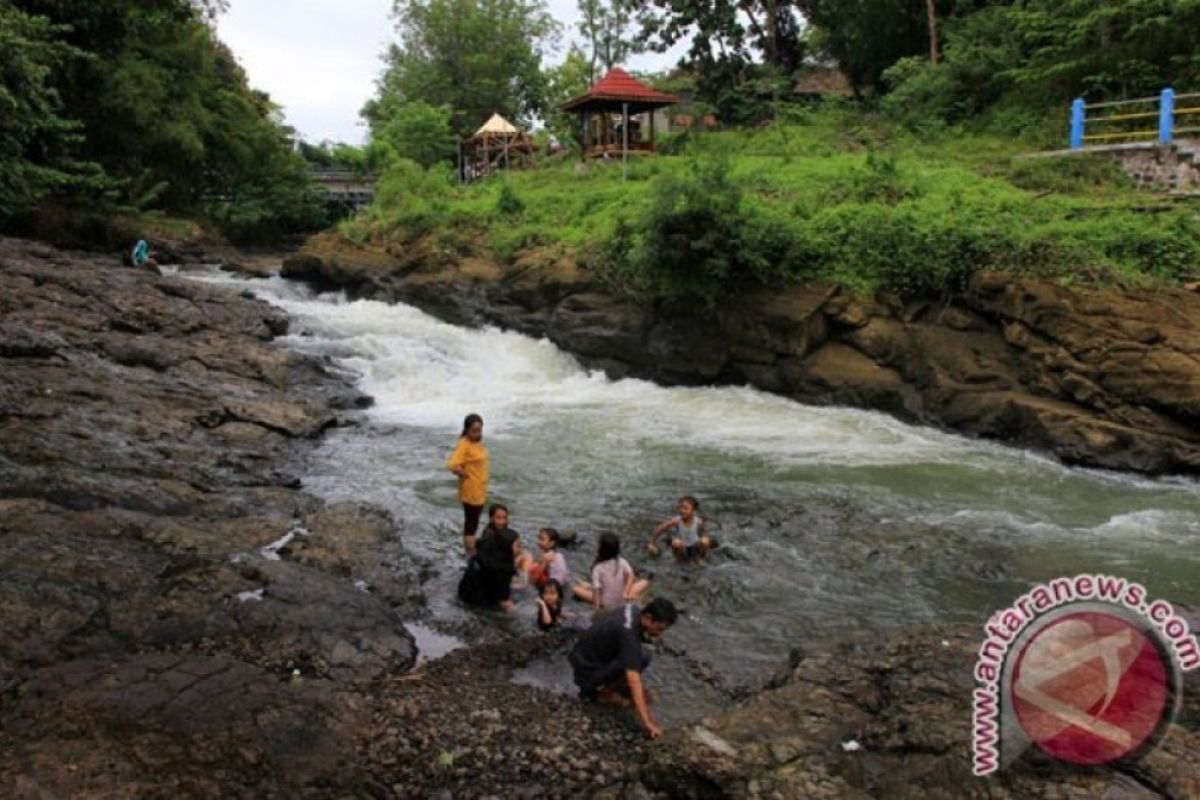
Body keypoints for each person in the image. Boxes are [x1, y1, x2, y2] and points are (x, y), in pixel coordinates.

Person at [568, 598, 678, 739]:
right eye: (659, 628)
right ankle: (600, 692)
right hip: (585, 675)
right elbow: (634, 678)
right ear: (648, 618)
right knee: (642, 657)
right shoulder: (628, 633)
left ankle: (611, 686)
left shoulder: (632, 609)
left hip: (580, 657)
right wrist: (647, 721)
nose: (659, 633)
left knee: (640, 655)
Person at [458, 503, 520, 612]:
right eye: (518, 546)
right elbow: (504, 600)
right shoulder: (500, 567)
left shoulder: (491, 543)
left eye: (504, 518)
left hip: (468, 589)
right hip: (476, 601)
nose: (502, 521)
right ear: (491, 518)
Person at [446, 413, 489, 555]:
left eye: (479, 430)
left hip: (479, 489)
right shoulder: (464, 444)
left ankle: (469, 550)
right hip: (471, 490)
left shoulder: (476, 443)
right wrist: (465, 475)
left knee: (472, 522)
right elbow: (452, 465)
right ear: (466, 429)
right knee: (471, 523)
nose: (477, 433)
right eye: (474, 431)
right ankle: (470, 552)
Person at [573, 532, 649, 611]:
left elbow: (596, 591)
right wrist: (626, 592)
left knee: (576, 589)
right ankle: (636, 598)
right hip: (622, 599)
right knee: (644, 582)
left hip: (606, 601)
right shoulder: (622, 561)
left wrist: (596, 609)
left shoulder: (598, 568)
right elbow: (631, 575)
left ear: (601, 549)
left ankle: (588, 586)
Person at [648, 495, 711, 561]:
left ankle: (699, 559)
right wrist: (652, 542)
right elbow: (659, 529)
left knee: (705, 541)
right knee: (676, 543)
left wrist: (703, 543)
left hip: (694, 547)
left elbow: (704, 534)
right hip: (682, 547)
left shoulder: (698, 521)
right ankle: (680, 560)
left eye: (686, 508)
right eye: (680, 508)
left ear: (694, 510)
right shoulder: (676, 520)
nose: (682, 510)